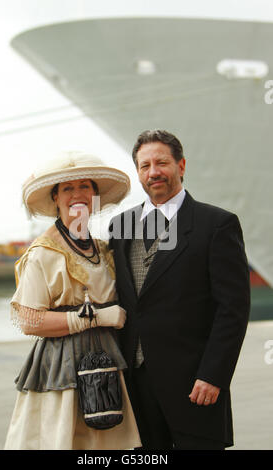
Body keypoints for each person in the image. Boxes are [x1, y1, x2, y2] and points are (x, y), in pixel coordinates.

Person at [109, 130, 250, 450]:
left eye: (161, 162)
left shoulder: (216, 224)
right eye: (144, 166)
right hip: (135, 384)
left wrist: (214, 375)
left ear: (181, 165)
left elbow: (233, 309)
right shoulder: (120, 226)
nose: (153, 172)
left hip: (195, 383)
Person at [4, 151, 141, 450]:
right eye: (68, 188)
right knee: (64, 438)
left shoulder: (103, 249)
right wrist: (97, 318)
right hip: (60, 368)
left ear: (95, 196)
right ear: (56, 198)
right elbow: (29, 320)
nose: (77, 194)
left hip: (106, 361)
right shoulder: (42, 253)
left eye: (85, 187)